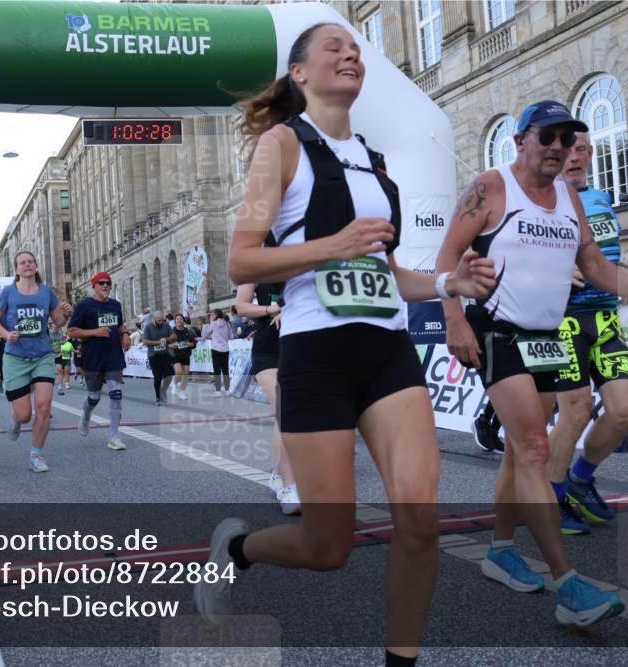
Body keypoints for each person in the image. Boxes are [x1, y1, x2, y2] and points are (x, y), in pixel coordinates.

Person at [192, 23, 496, 667]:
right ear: (299, 72)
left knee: (420, 523)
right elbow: (242, 262)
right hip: (316, 355)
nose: (350, 55)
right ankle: (237, 551)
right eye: (334, 48)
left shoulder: (374, 159)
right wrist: (333, 245)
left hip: (387, 352)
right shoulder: (281, 145)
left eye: (355, 49)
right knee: (329, 546)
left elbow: (386, 272)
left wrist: (448, 282)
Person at [436, 100, 628, 627]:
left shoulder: (569, 198)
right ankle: (569, 587)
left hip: (546, 336)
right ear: (520, 140)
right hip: (497, 330)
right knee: (534, 448)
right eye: (547, 137)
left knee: (518, 452)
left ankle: (501, 550)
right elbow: (447, 256)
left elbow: (594, 264)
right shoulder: (491, 187)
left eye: (566, 139)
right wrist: (454, 320)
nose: (558, 148)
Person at [544, 131, 628, 534]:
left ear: (589, 154)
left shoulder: (602, 199)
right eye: (567, 150)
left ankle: (580, 480)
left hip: (605, 319)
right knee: (574, 413)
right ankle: (551, 499)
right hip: (563, 321)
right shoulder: (543, 200)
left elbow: (609, 259)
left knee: (626, 413)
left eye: (582, 149)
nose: (575, 156)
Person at [0, 251, 73, 473]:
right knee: (25, 414)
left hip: (43, 355)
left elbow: (58, 321)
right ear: (16, 269)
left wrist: (66, 314)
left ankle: (36, 454)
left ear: (35, 266)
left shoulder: (46, 292)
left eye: (30, 262)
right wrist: (7, 335)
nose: (27, 265)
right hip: (15, 358)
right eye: (22, 263)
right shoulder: (8, 292)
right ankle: (16, 419)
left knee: (43, 408)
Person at [234, 282, 299, 514]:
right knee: (285, 408)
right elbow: (241, 306)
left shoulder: (302, 266)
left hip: (300, 346)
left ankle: (279, 472)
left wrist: (289, 310)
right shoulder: (257, 269)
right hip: (268, 351)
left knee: (292, 413)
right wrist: (273, 309)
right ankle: (288, 485)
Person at [67, 272, 131, 451]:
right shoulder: (84, 305)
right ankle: (86, 415)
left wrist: (125, 334)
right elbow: (72, 331)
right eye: (101, 283)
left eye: (108, 283)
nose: (105, 286)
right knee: (94, 397)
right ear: (93, 286)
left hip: (113, 356)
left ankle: (114, 437)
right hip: (93, 357)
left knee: (116, 394)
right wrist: (94, 332)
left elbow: (120, 325)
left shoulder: (115, 305)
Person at [143, 310, 176, 405]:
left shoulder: (166, 325)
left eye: (162, 320)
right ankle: (158, 398)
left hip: (165, 354)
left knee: (169, 375)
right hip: (154, 356)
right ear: (154, 319)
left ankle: (164, 390)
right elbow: (145, 341)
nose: (161, 322)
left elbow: (174, 336)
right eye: (159, 320)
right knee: (157, 377)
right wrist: (158, 342)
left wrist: (166, 339)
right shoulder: (148, 327)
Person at [202, 309, 232, 396]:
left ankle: (218, 391)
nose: (212, 316)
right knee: (225, 370)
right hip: (225, 349)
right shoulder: (227, 324)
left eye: (213, 314)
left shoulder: (213, 323)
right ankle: (227, 390)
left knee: (217, 370)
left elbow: (205, 335)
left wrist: (213, 337)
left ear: (216, 315)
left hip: (216, 349)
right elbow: (231, 336)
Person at [170, 314, 197, 400]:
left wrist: (188, 344)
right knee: (179, 372)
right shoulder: (171, 331)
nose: (179, 320)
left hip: (186, 355)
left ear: (183, 321)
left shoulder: (189, 331)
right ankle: (175, 384)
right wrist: (171, 346)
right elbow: (166, 344)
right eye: (177, 319)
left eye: (181, 319)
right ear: (175, 321)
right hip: (175, 355)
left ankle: (182, 392)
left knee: (185, 375)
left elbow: (193, 344)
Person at [50, 324, 67, 395]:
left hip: (59, 354)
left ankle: (59, 388)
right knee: (50, 372)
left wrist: (64, 341)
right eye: (53, 327)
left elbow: (65, 342)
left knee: (59, 369)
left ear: (59, 328)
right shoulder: (48, 334)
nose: (54, 329)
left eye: (56, 327)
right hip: (50, 354)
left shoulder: (61, 334)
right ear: (51, 327)